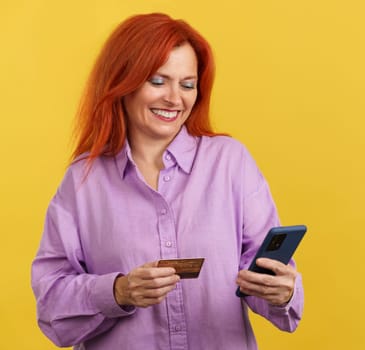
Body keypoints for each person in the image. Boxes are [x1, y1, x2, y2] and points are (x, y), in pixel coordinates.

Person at [31, 13, 304, 350]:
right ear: (123, 82)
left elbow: (266, 280)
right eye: (158, 81)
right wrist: (117, 291)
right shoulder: (82, 182)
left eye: (187, 84)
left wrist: (282, 292)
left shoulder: (230, 162)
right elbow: (51, 305)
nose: (175, 99)